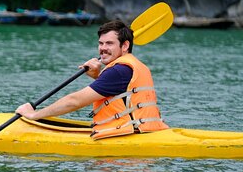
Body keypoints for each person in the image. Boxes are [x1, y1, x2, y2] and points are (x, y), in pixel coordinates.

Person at [15, 19, 168, 140]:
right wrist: (98, 75)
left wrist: (34, 115)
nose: (103, 48)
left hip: (125, 137)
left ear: (125, 45)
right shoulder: (132, 66)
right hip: (148, 130)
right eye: (101, 43)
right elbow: (118, 95)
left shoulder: (118, 71)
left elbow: (74, 101)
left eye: (109, 43)